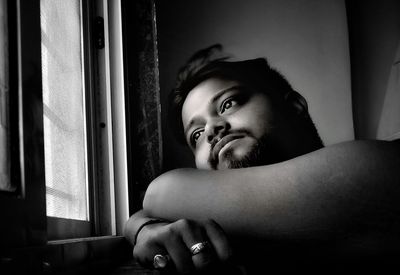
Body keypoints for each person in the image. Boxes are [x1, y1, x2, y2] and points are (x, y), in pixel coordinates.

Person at [124, 44, 400, 274]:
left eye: (228, 104)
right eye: (195, 135)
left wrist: (140, 225)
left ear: (294, 106)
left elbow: (161, 192)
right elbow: (148, 209)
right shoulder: (234, 225)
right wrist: (144, 228)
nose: (210, 130)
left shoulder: (375, 165)